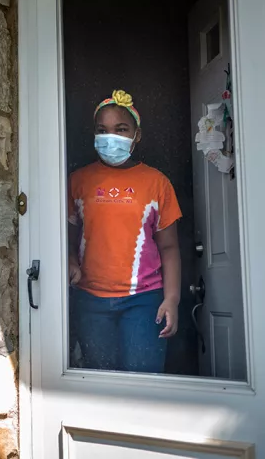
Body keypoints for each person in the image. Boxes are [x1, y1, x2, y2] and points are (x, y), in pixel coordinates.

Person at [68, 90, 182, 374]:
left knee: (143, 382)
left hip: (144, 302)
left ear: (136, 135)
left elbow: (169, 248)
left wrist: (172, 299)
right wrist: (70, 261)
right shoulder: (77, 181)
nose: (111, 137)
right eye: (102, 130)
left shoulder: (157, 183)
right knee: (101, 382)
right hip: (90, 300)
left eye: (121, 129)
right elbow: (65, 238)